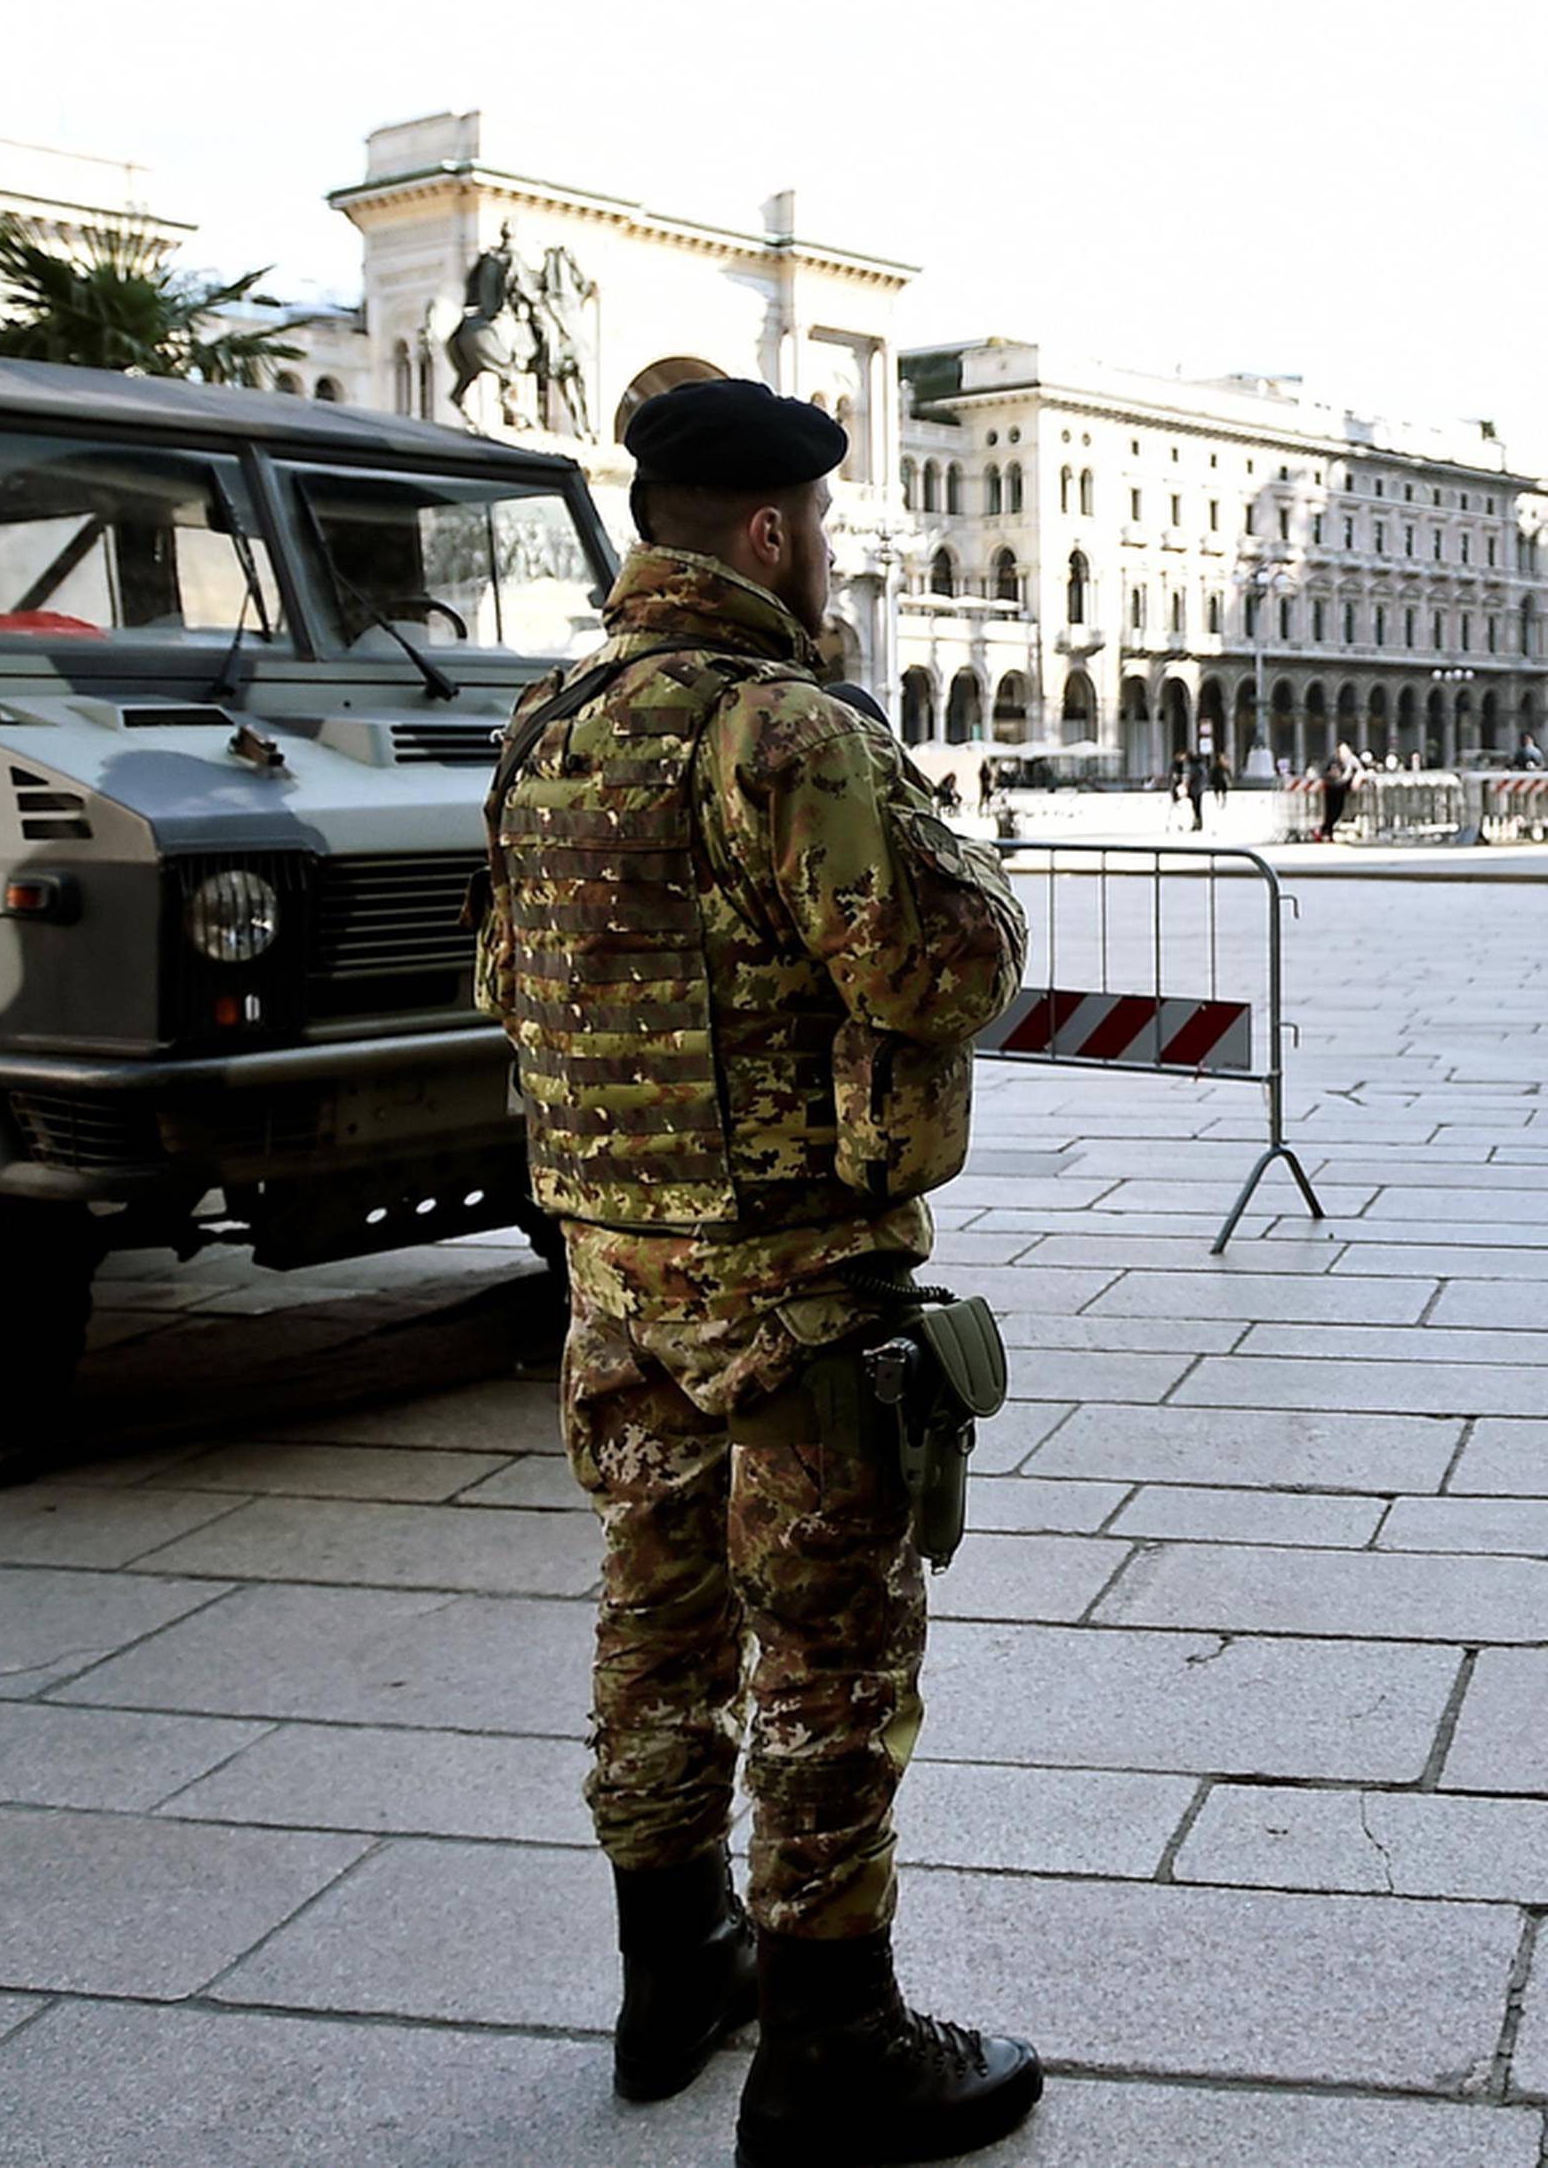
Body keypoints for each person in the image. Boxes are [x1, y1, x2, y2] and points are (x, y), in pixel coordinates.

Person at [476, 377, 1042, 2165]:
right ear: (776, 534)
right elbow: (937, 975)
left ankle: (673, 1976)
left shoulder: (547, 725)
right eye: (825, 538)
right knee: (827, 1653)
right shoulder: (786, 730)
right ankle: (834, 2045)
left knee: (654, 1625)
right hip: (793, 1292)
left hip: (617, 1282)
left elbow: (505, 982)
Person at [1320, 738, 1362, 840]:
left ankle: (1328, 830)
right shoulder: (1332, 760)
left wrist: (1357, 777)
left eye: (1347, 751)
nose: (1345, 754)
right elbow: (1323, 772)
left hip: (1342, 789)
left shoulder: (1352, 760)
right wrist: (1331, 775)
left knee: (1338, 810)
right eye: (1343, 751)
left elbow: (1361, 769)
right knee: (1330, 811)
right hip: (1331, 788)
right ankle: (1326, 831)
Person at [1184, 750, 1208, 831]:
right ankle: (1199, 823)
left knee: (1195, 808)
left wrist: (1187, 784)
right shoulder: (1200, 765)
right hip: (1199, 788)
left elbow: (1191, 777)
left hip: (1194, 789)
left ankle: (1196, 824)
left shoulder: (1193, 767)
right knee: (1198, 807)